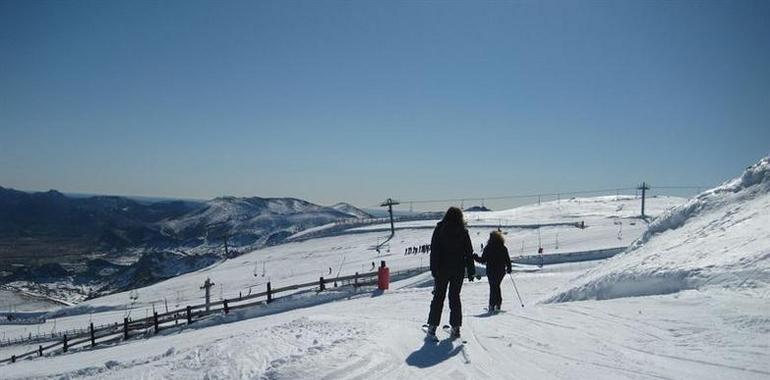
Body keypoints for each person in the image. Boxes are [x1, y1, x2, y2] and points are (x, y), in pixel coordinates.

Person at [426, 207, 476, 339]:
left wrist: (434, 269)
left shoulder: (440, 229)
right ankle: (456, 328)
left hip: (442, 269)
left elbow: (435, 250)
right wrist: (471, 271)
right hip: (458, 270)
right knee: (455, 297)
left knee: (438, 297)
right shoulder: (463, 232)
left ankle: (432, 327)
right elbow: (469, 253)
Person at [473, 230, 512, 312]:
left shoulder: (488, 248)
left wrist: (475, 257)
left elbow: (483, 260)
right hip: (501, 271)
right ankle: (498, 304)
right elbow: (507, 259)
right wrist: (509, 268)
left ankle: (492, 304)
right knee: (496, 286)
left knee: (493, 287)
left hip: (491, 270)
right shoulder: (503, 247)